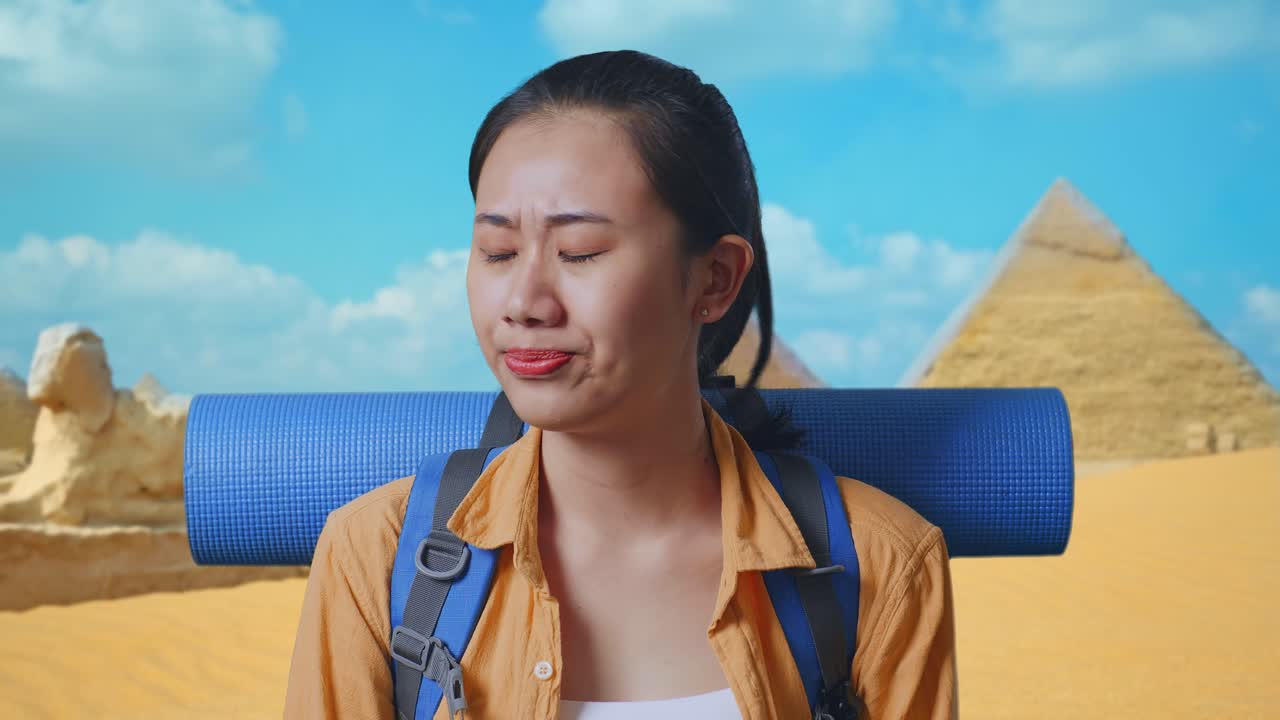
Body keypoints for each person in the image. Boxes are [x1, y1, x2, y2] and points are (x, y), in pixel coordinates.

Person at [284, 50, 957, 719]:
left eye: (579, 253)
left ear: (715, 279)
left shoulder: (883, 564)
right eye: (497, 252)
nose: (523, 301)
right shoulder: (373, 556)